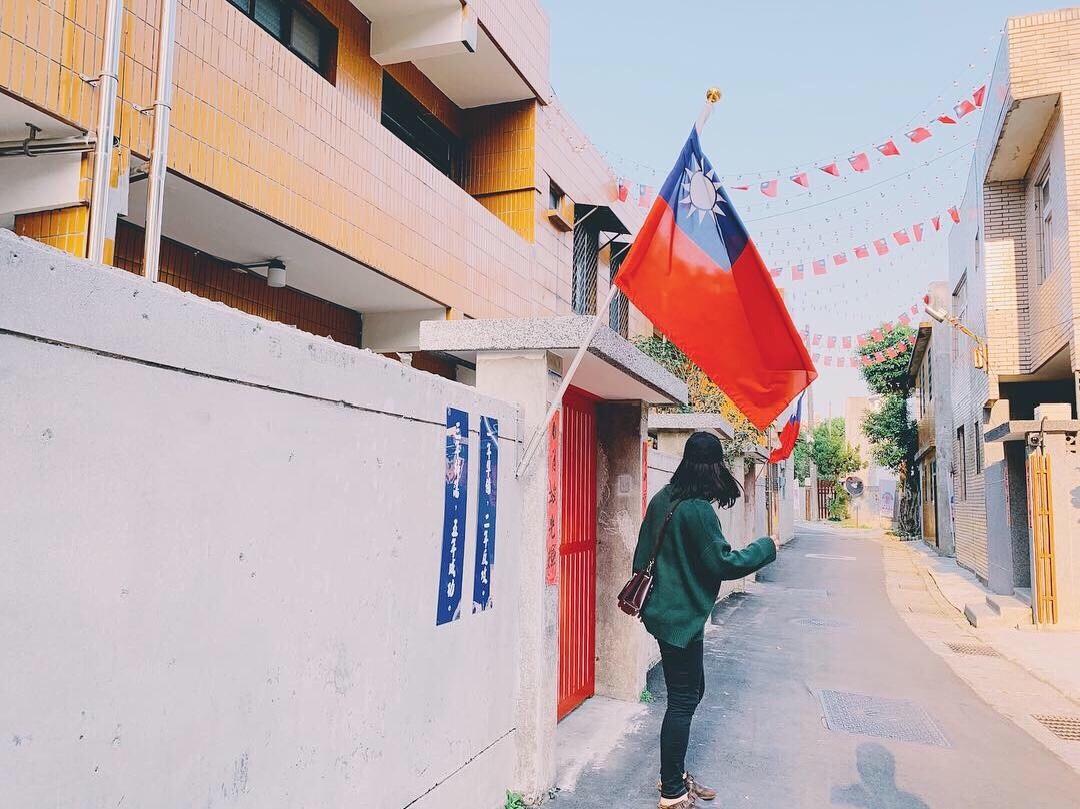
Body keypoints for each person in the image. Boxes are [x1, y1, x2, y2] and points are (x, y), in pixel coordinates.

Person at [632, 431, 777, 808]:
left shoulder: (663, 498)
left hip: (667, 614)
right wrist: (765, 547)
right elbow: (723, 563)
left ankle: (674, 774)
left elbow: (641, 555)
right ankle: (671, 791)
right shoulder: (697, 510)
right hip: (679, 619)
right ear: (713, 468)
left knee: (692, 692)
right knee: (683, 700)